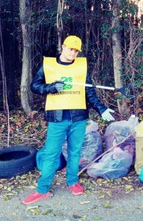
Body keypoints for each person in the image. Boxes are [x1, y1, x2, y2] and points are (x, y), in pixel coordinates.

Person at [23, 35, 115, 205]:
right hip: (57, 118)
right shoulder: (48, 65)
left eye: (76, 50)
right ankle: (42, 190)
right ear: (63, 47)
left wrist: (101, 109)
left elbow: (89, 91)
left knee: (74, 152)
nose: (73, 53)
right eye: (70, 49)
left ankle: (72, 182)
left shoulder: (81, 66)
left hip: (78, 117)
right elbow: (34, 86)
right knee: (51, 154)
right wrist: (50, 88)